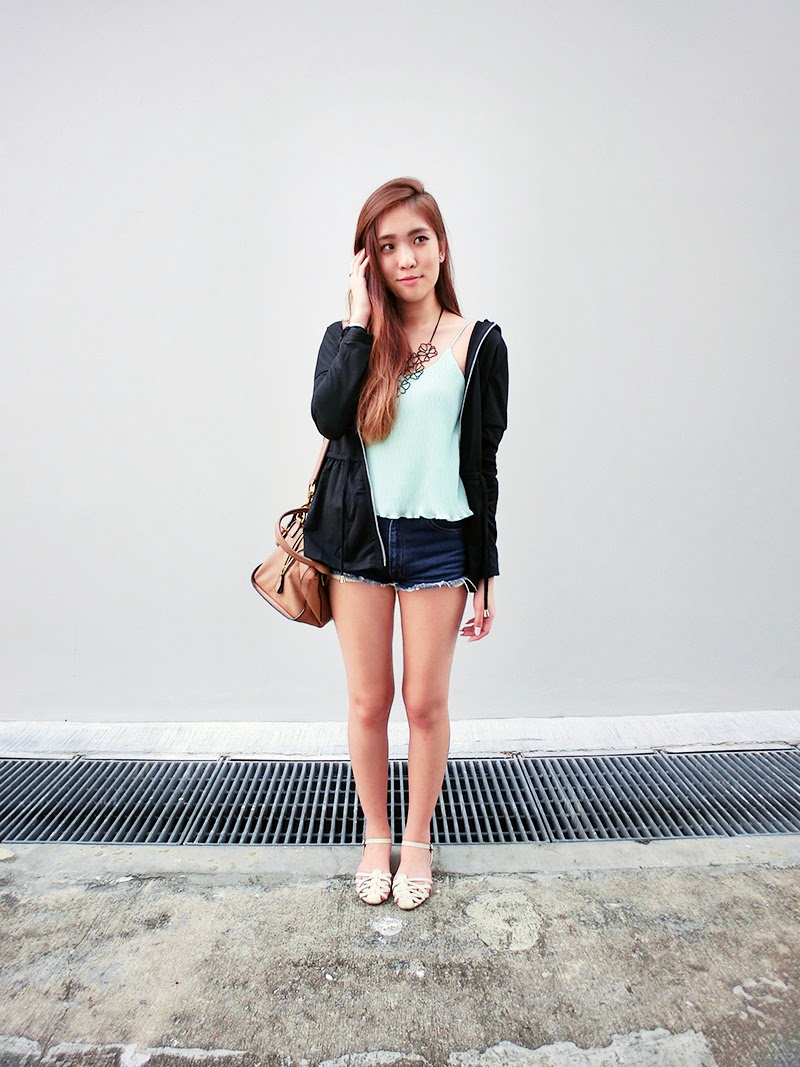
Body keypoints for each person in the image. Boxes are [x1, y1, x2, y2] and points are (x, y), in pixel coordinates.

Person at [304, 177, 509, 910]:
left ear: (441, 246)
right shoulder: (348, 339)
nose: (406, 258)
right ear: (370, 261)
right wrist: (359, 321)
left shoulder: (478, 342)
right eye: (386, 246)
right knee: (369, 702)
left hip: (439, 545)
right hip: (358, 542)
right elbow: (329, 417)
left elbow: (483, 464)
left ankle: (416, 839)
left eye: (418, 240)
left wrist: (485, 571)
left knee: (425, 702)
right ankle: (375, 837)